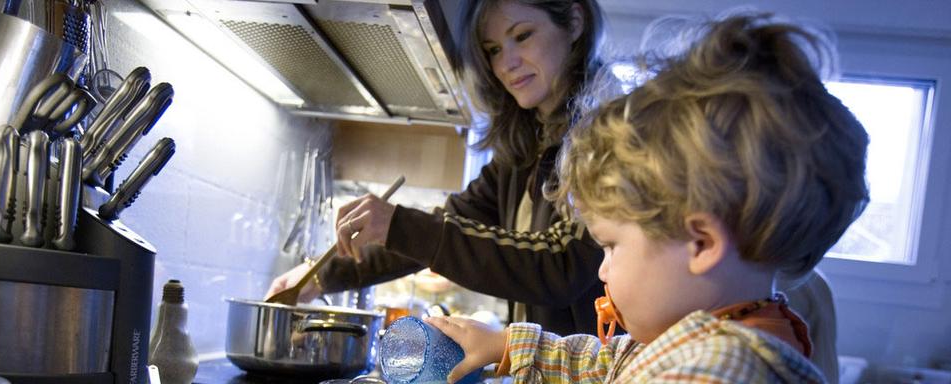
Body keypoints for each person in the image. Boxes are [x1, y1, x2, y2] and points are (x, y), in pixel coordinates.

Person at [424, 12, 869, 383]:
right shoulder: (701, 338)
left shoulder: (718, 372)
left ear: (702, 243)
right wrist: (502, 344)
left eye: (612, 245)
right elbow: (601, 362)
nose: (602, 269)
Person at [266, 0, 610, 336]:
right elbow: (447, 225)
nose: (507, 63)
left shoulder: (606, 137)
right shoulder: (521, 153)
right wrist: (320, 274)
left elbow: (563, 266)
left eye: (522, 35)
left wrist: (397, 224)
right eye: (492, 50)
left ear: (575, 22)